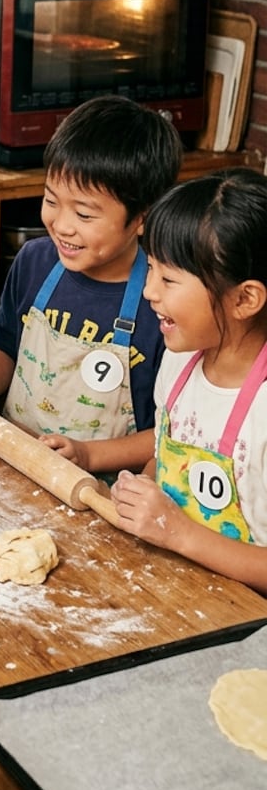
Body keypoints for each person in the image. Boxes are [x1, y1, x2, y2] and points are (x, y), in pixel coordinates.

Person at [0, 95, 184, 476]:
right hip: (13, 465)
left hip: (101, 491)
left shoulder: (163, 302)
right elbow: (4, 346)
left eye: (84, 214)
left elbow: (169, 436)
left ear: (142, 217)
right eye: (51, 200)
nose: (62, 225)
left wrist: (88, 455)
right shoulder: (34, 262)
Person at [111, 168, 267, 593]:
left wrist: (177, 533)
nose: (149, 292)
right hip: (174, 590)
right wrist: (141, 489)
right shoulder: (179, 362)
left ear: (244, 299)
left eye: (169, 279)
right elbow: (165, 457)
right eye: (151, 269)